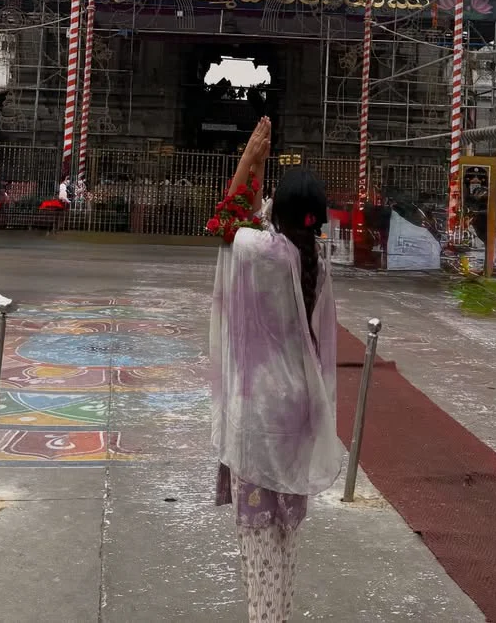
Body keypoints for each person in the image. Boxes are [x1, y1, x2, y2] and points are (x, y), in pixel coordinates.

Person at [210, 118, 340, 623]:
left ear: (276, 213)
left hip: (259, 413)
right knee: (285, 544)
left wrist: (250, 162)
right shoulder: (316, 263)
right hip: (299, 409)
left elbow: (225, 222)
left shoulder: (259, 253)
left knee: (258, 551)